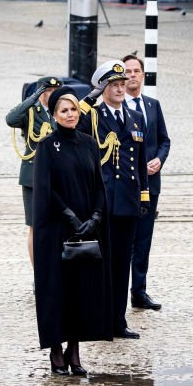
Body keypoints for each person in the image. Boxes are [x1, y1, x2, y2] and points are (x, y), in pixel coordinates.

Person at [32, 87, 113, 375]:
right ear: (54, 115)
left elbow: (98, 185)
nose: (70, 114)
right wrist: (69, 217)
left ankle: (75, 349)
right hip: (57, 230)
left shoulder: (89, 143)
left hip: (87, 229)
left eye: (73, 109)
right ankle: (56, 347)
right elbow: (46, 189)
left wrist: (95, 216)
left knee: (82, 290)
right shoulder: (46, 146)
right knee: (57, 290)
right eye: (64, 110)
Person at [79, 60, 149, 339]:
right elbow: (76, 124)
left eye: (122, 84)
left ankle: (118, 321)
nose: (120, 89)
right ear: (103, 88)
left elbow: (141, 160)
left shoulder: (135, 117)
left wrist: (143, 195)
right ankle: (99, 318)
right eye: (114, 85)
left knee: (121, 264)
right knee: (101, 263)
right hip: (104, 200)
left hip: (129, 201)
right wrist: (90, 98)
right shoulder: (93, 116)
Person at [123, 55, 170, 310]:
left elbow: (164, 139)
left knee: (143, 240)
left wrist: (159, 160)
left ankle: (139, 291)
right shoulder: (118, 108)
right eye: (127, 71)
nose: (132, 75)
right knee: (124, 241)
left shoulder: (152, 105)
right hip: (126, 185)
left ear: (143, 75)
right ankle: (117, 291)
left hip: (151, 183)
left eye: (136, 71)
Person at [6, 76, 63, 266]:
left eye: (55, 91)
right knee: (36, 227)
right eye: (48, 90)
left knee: (59, 226)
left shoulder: (62, 111)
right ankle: (38, 272)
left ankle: (56, 269)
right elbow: (11, 119)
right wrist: (32, 99)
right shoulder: (31, 111)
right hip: (33, 175)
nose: (52, 94)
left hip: (58, 176)